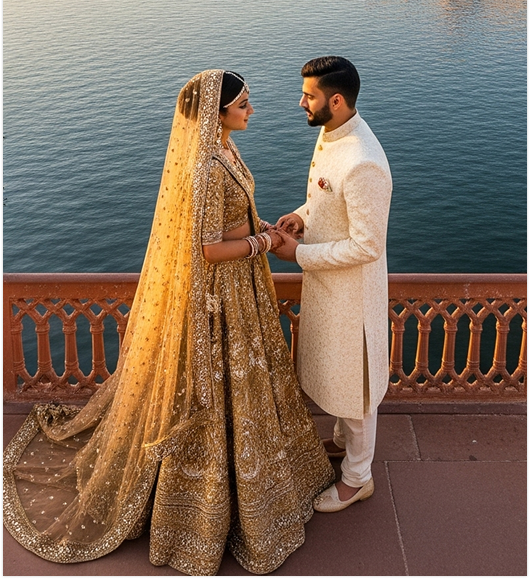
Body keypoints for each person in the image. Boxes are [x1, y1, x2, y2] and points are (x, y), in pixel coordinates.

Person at [3, 69, 333, 573]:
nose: (251, 109)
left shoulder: (225, 148)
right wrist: (264, 244)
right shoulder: (204, 166)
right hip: (219, 298)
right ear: (215, 113)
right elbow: (206, 249)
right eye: (242, 103)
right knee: (210, 392)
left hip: (243, 292)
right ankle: (200, 515)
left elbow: (231, 216)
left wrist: (266, 223)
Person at [274, 56, 392, 513]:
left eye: (310, 96)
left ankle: (357, 479)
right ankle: (345, 446)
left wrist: (298, 254)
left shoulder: (363, 161)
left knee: (357, 388)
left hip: (351, 297)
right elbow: (323, 198)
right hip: (328, 286)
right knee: (341, 378)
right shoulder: (332, 135)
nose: (301, 102)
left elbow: (367, 246)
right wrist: (301, 217)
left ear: (336, 101)